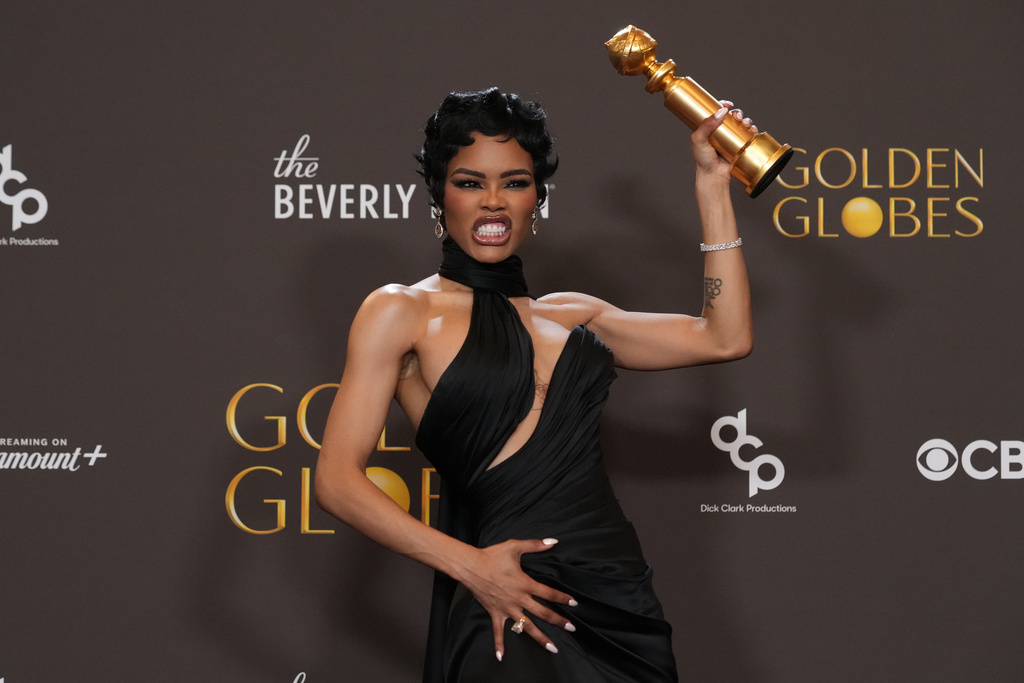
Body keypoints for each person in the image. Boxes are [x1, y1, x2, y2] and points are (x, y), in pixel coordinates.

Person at [314, 86, 755, 683]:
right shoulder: (402, 311)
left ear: (538, 198)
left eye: (515, 183)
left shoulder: (574, 314)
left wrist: (711, 185)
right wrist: (471, 567)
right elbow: (337, 481)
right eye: (470, 182)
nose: (493, 202)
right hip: (509, 597)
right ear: (439, 194)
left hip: (617, 595)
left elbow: (724, 337)